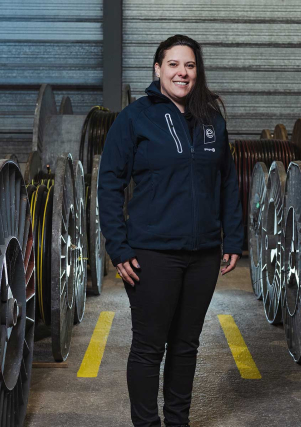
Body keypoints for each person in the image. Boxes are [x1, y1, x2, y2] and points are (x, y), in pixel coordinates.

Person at [97, 34, 244, 427]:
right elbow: (110, 181)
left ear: (198, 72)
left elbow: (227, 181)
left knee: (186, 345)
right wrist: (119, 246)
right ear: (158, 69)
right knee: (149, 347)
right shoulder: (135, 118)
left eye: (190, 65)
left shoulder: (212, 121)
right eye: (174, 64)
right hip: (152, 254)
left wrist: (233, 235)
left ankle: (177, 421)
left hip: (203, 255)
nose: (183, 72)